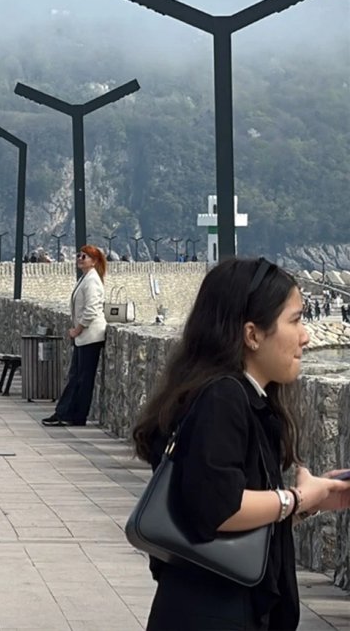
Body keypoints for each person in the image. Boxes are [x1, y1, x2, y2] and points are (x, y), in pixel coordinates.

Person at [130, 258, 350, 630]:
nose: (306, 336)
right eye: (295, 320)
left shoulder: (233, 396)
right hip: (215, 613)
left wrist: (314, 501)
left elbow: (219, 499)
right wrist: (295, 499)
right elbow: (219, 509)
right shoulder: (223, 397)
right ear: (252, 335)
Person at [42, 245, 108, 427]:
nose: (80, 258)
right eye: (79, 255)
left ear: (93, 261)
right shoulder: (86, 278)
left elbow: (92, 309)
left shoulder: (92, 280)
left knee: (82, 378)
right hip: (84, 337)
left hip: (90, 336)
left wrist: (78, 329)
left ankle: (68, 414)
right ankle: (71, 414)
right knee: (77, 376)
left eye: (84, 256)